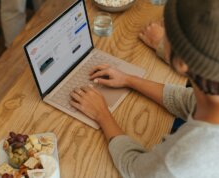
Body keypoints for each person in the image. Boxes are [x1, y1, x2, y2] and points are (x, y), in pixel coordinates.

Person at [69, 0, 219, 177]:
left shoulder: (180, 159)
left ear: (182, 63)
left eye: (167, 32)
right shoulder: (211, 90)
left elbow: (135, 168)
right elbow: (188, 100)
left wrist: (102, 114)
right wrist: (128, 79)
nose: (162, 34)